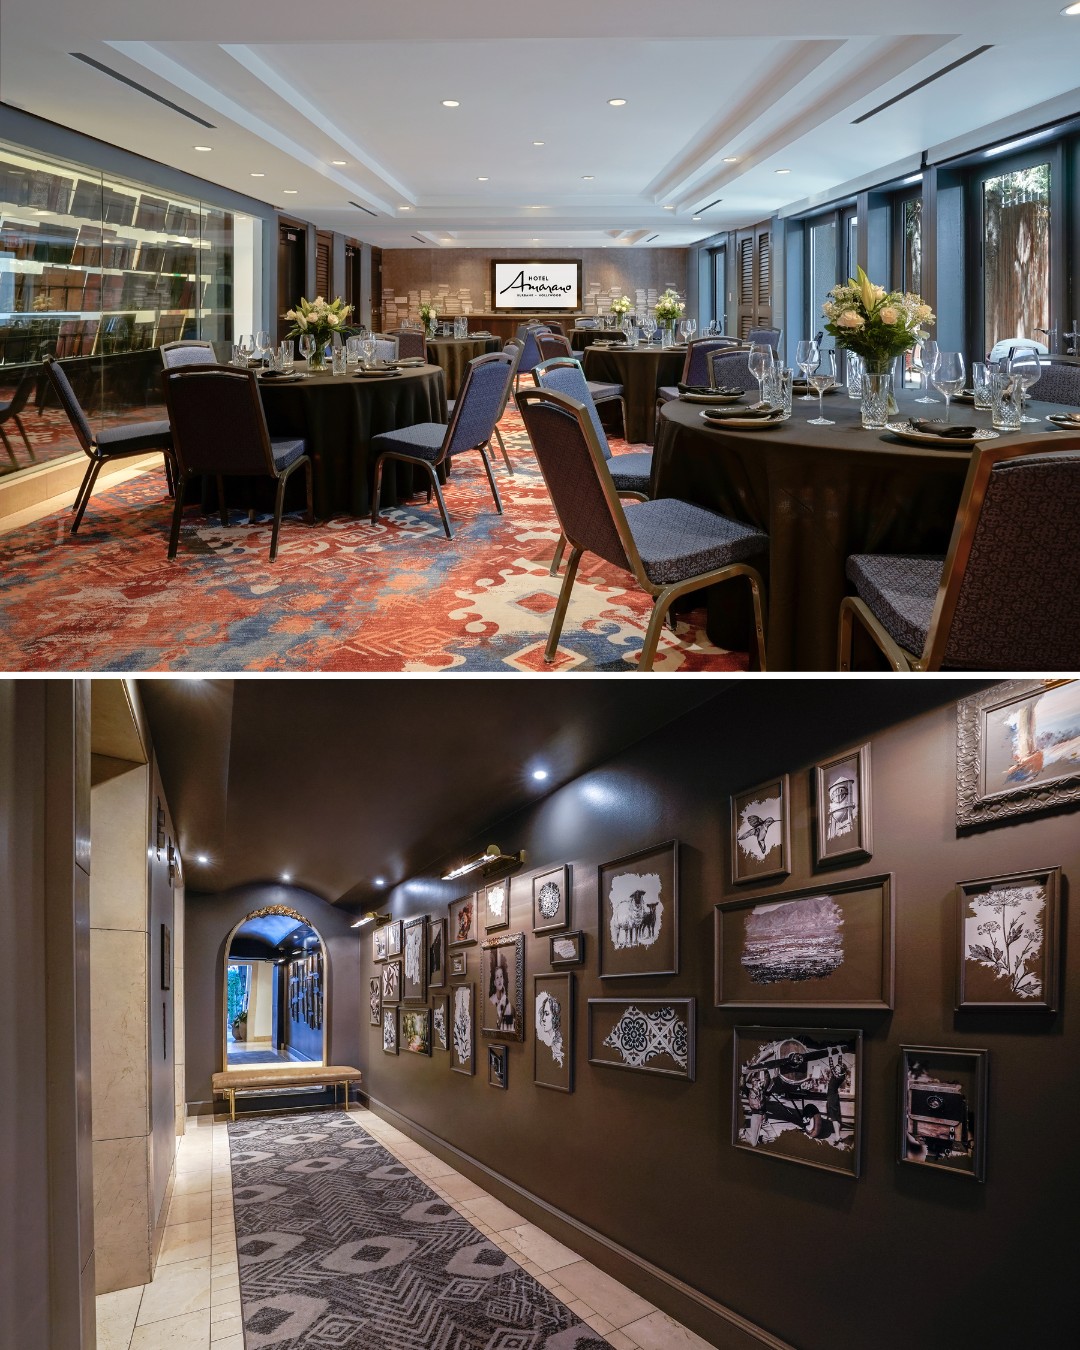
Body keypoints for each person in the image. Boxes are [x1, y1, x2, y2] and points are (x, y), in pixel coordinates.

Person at [489, 953, 515, 1032]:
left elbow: (510, 1025)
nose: (500, 980)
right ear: (494, 982)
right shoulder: (491, 1001)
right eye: (497, 977)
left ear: (503, 979)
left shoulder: (507, 1001)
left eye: (501, 976)